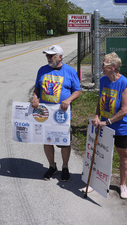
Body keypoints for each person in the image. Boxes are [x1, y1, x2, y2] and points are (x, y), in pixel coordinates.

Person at [30, 45, 81, 181]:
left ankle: (65, 166)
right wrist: (35, 97)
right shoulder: (42, 70)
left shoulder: (69, 71)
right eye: (47, 55)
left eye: (51, 56)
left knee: (64, 141)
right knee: (47, 141)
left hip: (61, 114)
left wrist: (69, 99)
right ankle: (52, 166)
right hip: (45, 112)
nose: (48, 58)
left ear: (60, 57)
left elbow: (77, 91)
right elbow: (37, 88)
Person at [91, 52, 127, 199]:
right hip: (105, 125)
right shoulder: (104, 80)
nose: (101, 67)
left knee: (124, 156)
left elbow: (124, 110)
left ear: (113, 67)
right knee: (102, 155)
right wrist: (97, 116)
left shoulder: (124, 83)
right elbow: (100, 101)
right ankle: (98, 182)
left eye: (104, 64)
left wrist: (106, 122)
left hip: (122, 127)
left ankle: (123, 184)